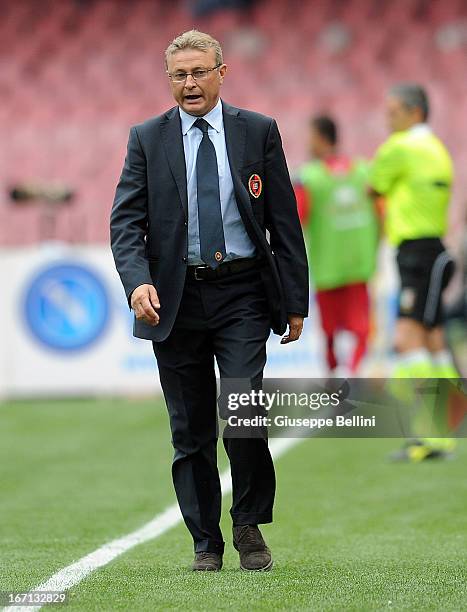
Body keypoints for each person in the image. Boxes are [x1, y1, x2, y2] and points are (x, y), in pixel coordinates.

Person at [110, 30, 308, 571]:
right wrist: (136, 282)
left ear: (222, 71)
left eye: (199, 72)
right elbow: (126, 222)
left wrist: (295, 301)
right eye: (179, 75)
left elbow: (284, 222)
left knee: (242, 413)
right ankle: (205, 542)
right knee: (190, 428)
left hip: (242, 291)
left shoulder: (258, 131)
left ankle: (248, 522)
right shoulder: (146, 138)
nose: (190, 83)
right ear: (168, 80)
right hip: (173, 299)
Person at [369, 83, 458, 461]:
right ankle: (448, 430)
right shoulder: (438, 150)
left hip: (415, 254)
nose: (388, 119)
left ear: (415, 112)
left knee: (407, 341)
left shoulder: (399, 148)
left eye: (394, 111)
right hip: (436, 250)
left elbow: (372, 189)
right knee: (434, 339)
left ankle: (427, 435)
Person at [295, 116, 379, 375]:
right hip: (359, 265)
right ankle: (353, 374)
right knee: (361, 329)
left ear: (321, 138)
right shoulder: (364, 172)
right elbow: (382, 213)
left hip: (327, 267)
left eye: (310, 137)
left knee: (329, 333)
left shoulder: (309, 178)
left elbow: (297, 218)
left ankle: (338, 380)